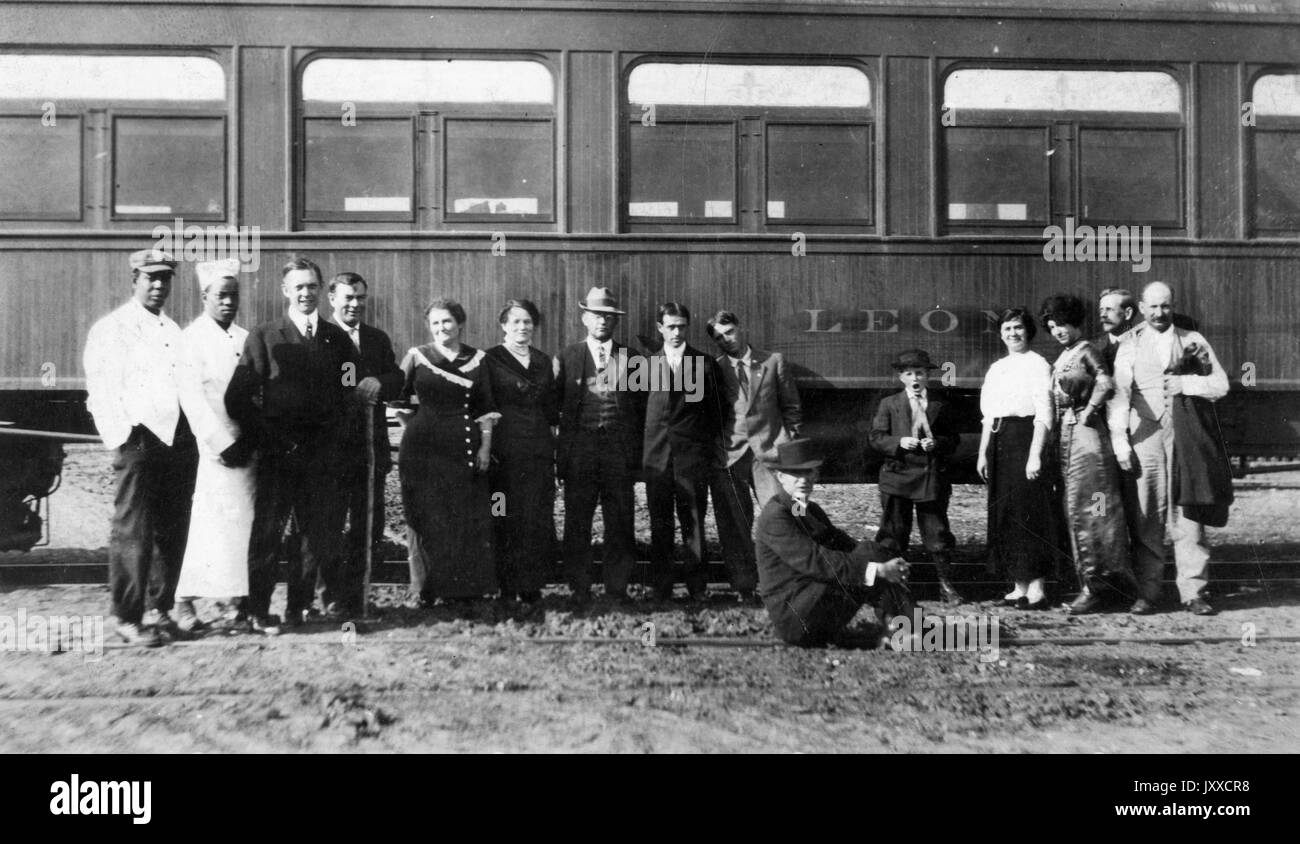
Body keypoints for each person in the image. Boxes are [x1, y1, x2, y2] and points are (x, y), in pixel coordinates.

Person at [225, 256, 361, 633]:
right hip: (277, 456)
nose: (305, 293)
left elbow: (350, 391)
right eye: (298, 287)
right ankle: (257, 611)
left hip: (321, 458)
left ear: (321, 290)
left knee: (313, 536)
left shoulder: (338, 340)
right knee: (268, 534)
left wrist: (335, 443)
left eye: (312, 286)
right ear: (285, 291)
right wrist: (270, 439)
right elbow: (237, 399)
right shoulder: (264, 336)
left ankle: (299, 608)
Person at [83, 249, 206, 646]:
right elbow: (99, 391)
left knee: (173, 529)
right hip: (137, 440)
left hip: (174, 439)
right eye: (150, 277)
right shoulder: (112, 328)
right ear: (133, 280)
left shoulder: (171, 329)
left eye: (165, 278)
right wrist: (120, 438)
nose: (158, 285)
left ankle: (160, 608)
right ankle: (127, 616)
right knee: (133, 528)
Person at [1108, 281, 1231, 616]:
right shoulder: (1130, 344)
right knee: (1146, 513)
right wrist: (1120, 441)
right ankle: (1147, 592)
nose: (1160, 313)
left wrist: (1186, 384)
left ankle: (1193, 592)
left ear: (1172, 306)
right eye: (1153, 307)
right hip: (1144, 434)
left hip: (1184, 436)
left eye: (1165, 306)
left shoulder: (1192, 340)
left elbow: (1221, 384)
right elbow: (1119, 395)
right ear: (1142, 309)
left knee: (1189, 512)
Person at [755, 438, 912, 647]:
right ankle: (908, 627)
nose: (804, 479)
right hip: (797, 618)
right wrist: (878, 570)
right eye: (796, 473)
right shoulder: (776, 515)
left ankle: (903, 626)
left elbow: (847, 546)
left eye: (809, 472)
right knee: (871, 562)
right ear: (781, 477)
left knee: (872, 551)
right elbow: (815, 560)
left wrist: (888, 560)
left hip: (812, 601)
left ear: (817, 474)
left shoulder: (804, 509)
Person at [173, 259, 257, 634]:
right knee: (208, 525)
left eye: (233, 296)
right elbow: (192, 400)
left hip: (246, 444)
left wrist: (250, 437)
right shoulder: (191, 339)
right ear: (204, 296)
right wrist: (221, 444)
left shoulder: (244, 338)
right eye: (221, 296)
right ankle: (183, 600)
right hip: (215, 447)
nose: (228, 302)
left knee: (240, 526)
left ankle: (233, 602)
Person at [398, 298, 500, 603]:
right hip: (422, 451)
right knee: (426, 517)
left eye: (448, 322)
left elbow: (486, 408)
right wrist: (415, 429)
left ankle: (464, 589)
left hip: (464, 448)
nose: (442, 328)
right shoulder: (417, 357)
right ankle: (426, 589)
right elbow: (399, 403)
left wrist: (485, 448)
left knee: (463, 517)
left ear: (460, 324)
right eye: (436, 323)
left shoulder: (478, 359)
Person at [1040, 295, 1136, 615]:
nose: (1058, 331)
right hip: (1069, 439)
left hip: (1088, 439)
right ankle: (1100, 584)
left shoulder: (1087, 351)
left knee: (1091, 510)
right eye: (1052, 327)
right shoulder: (1067, 354)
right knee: (1078, 508)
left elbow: (1105, 382)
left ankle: (1097, 587)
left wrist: (1088, 411)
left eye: (1062, 324)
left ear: (1075, 322)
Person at [555, 287, 645, 607]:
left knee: (620, 521)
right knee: (577, 521)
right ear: (584, 319)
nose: (602, 321)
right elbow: (555, 411)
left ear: (615, 321)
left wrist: (636, 457)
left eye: (609, 316)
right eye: (596, 316)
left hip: (618, 454)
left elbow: (643, 408)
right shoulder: (567, 357)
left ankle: (616, 587)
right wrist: (561, 457)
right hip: (580, 451)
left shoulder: (632, 358)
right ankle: (579, 586)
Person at [705, 310, 802, 602]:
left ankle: (785, 584)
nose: (726, 340)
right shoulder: (715, 368)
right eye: (719, 337)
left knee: (780, 520)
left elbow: (792, 408)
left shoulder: (773, 361)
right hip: (729, 455)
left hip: (770, 455)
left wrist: (789, 447)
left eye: (730, 331)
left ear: (741, 327)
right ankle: (743, 586)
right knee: (734, 526)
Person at [322, 272, 403, 619]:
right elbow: (329, 385)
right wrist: (356, 383)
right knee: (329, 525)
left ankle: (358, 596)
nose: (354, 304)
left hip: (371, 452)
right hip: (333, 452)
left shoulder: (376, 338)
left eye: (360, 298)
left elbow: (397, 378)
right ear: (332, 299)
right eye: (348, 298)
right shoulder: (322, 336)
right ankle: (329, 598)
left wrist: (378, 382)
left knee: (366, 526)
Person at [977, 308, 1058, 609]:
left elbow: (1045, 413)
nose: (1013, 333)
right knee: (1007, 512)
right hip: (1000, 441)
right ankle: (1018, 585)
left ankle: (1037, 588)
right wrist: (984, 452)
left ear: (1029, 332)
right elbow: (989, 415)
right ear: (1001, 334)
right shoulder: (997, 368)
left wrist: (1035, 455)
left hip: (1026, 439)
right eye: (1008, 329)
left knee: (1031, 512)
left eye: (1019, 328)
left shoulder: (1038, 365)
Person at [868, 348, 963, 604]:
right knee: (893, 534)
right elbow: (876, 438)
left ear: (927, 376)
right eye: (909, 373)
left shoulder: (940, 404)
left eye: (919, 372)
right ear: (901, 377)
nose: (915, 378)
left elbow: (953, 439)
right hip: (897, 477)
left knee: (938, 535)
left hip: (930, 478)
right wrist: (900, 442)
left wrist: (938, 444)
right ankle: (895, 587)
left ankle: (947, 587)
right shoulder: (889, 404)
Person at [644, 302, 724, 602]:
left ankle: (697, 586)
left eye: (681, 326)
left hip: (691, 459)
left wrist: (703, 449)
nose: (676, 332)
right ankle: (661, 588)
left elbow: (717, 413)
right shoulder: (645, 365)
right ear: (660, 328)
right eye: (670, 326)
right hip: (657, 458)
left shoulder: (704, 365)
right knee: (660, 523)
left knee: (693, 522)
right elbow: (641, 414)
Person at [484, 299, 559, 605]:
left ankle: (531, 584)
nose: (522, 327)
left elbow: (552, 411)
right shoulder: (490, 359)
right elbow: (484, 406)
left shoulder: (543, 361)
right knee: (503, 515)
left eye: (527, 322)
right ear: (504, 325)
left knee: (535, 517)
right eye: (515, 322)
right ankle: (505, 585)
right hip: (504, 453)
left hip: (538, 452)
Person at [1096, 287, 1139, 368]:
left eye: (1109, 309)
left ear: (1128, 313)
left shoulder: (1143, 345)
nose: (1103, 315)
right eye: (1101, 310)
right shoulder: (1094, 348)